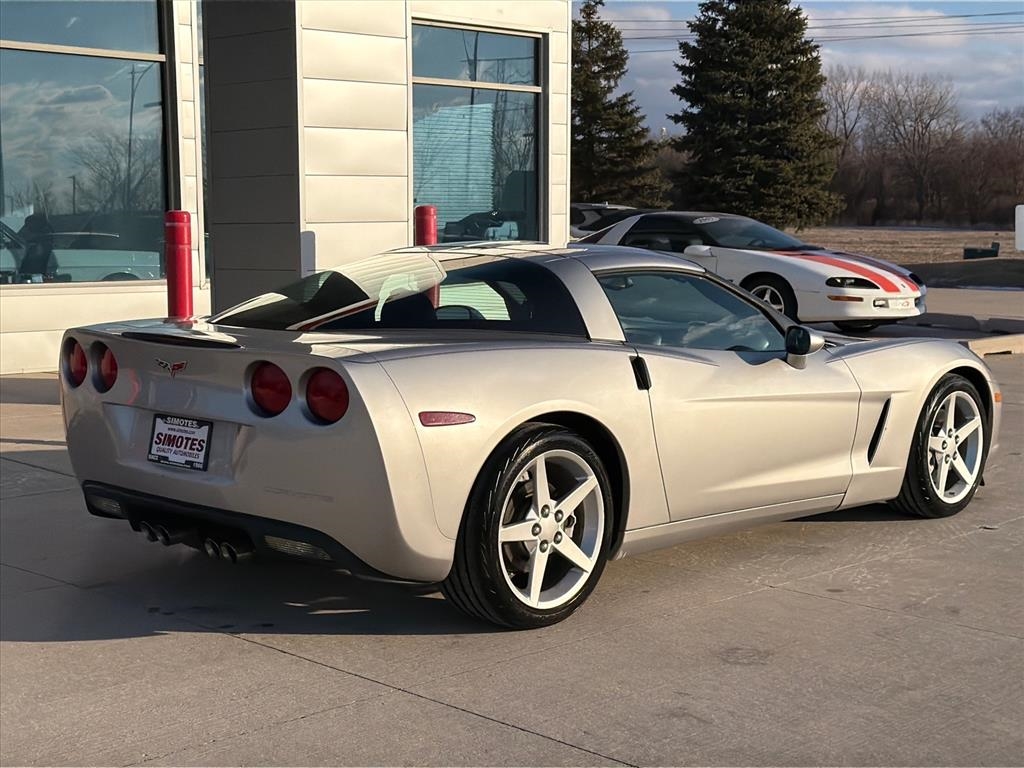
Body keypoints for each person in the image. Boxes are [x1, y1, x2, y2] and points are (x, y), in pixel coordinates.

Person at [16, 212, 57, 279]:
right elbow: (19, 237)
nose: (26, 228)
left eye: (28, 226)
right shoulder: (30, 245)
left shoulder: (41, 247)